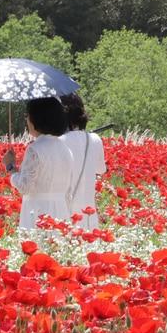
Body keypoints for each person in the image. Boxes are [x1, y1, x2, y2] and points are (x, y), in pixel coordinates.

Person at [3, 97, 75, 233]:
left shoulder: (35, 149)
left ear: (36, 119)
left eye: (28, 116)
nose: (27, 120)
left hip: (37, 211)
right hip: (61, 210)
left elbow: (25, 186)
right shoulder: (65, 148)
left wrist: (10, 167)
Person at [59, 93, 108, 230]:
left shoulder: (57, 142)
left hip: (63, 212)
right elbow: (101, 170)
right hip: (88, 213)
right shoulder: (95, 139)